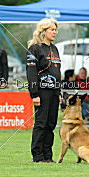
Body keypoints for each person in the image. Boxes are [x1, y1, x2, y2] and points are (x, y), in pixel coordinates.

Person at [26, 18, 62, 163]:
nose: (54, 32)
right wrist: (34, 94)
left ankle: (48, 156)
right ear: (43, 31)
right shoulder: (34, 48)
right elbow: (31, 72)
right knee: (41, 123)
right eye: (52, 30)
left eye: (55, 30)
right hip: (42, 91)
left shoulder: (55, 48)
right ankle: (38, 155)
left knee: (51, 124)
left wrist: (58, 92)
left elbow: (58, 71)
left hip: (54, 91)